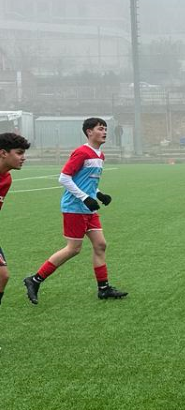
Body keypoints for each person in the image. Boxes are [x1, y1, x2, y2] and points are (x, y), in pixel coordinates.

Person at [23, 117, 127, 304]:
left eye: (105, 129)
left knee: (100, 245)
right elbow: (64, 178)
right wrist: (85, 198)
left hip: (88, 209)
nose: (104, 132)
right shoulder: (81, 152)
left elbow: (86, 181)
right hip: (74, 208)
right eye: (100, 128)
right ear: (89, 132)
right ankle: (35, 279)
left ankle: (103, 289)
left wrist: (99, 194)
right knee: (73, 249)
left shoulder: (100, 155)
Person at [0, 133, 30, 308]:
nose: (23, 158)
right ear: (3, 153)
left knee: (2, 276)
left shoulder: (6, 178)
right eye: (19, 153)